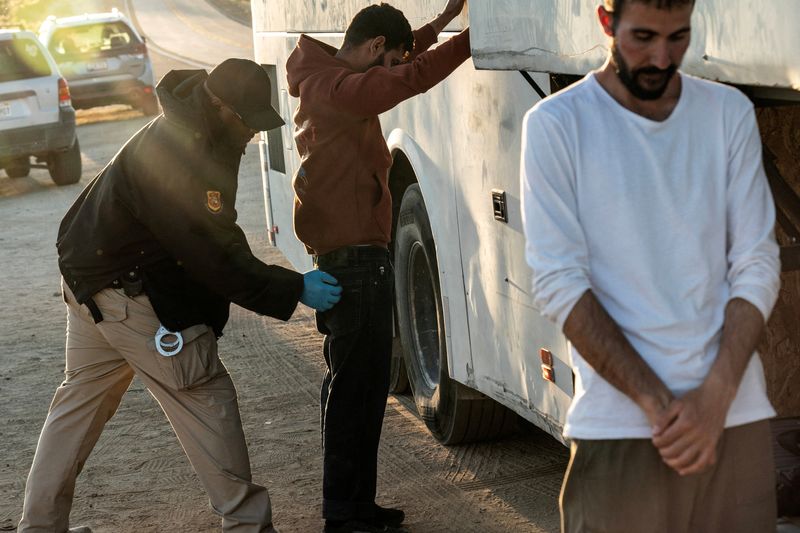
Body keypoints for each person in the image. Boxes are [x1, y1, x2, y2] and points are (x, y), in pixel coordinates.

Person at [18, 58, 342, 533]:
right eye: (247, 119)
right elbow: (209, 251)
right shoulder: (183, 150)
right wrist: (292, 287)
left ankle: (39, 527)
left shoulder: (192, 127)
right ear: (220, 105)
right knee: (204, 392)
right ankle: (248, 525)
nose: (253, 131)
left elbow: (216, 233)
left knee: (80, 402)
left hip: (88, 280)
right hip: (124, 290)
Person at [520, 1, 781, 531]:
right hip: (621, 430)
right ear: (605, 22)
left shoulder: (727, 113)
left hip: (735, 420)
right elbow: (558, 282)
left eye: (678, 38)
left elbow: (756, 263)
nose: (662, 58)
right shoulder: (556, 124)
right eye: (643, 38)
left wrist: (715, 400)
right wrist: (660, 406)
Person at [285, 2, 470, 532]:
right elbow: (408, 79)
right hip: (354, 264)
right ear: (370, 50)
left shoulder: (332, 79)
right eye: (386, 60)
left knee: (359, 390)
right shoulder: (335, 91)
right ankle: (344, 513)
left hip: (352, 259)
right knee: (353, 393)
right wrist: (471, 38)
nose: (389, 72)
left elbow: (401, 64)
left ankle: (355, 507)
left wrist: (440, 22)